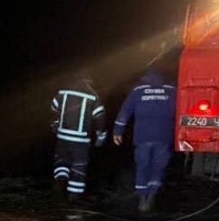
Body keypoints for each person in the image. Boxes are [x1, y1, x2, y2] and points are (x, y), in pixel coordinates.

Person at [112, 69, 177, 211]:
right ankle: (152, 195)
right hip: (163, 135)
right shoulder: (172, 91)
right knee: (159, 165)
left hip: (143, 136)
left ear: (146, 78)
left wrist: (118, 131)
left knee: (143, 165)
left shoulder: (138, 90)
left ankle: (142, 197)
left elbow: (126, 111)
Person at [50, 74, 107, 200]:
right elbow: (100, 116)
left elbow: (53, 108)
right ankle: (74, 196)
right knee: (79, 166)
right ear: (88, 81)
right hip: (81, 140)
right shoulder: (93, 95)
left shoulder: (63, 91)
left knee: (61, 160)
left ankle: (61, 180)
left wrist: (56, 122)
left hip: (63, 136)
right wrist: (101, 134)